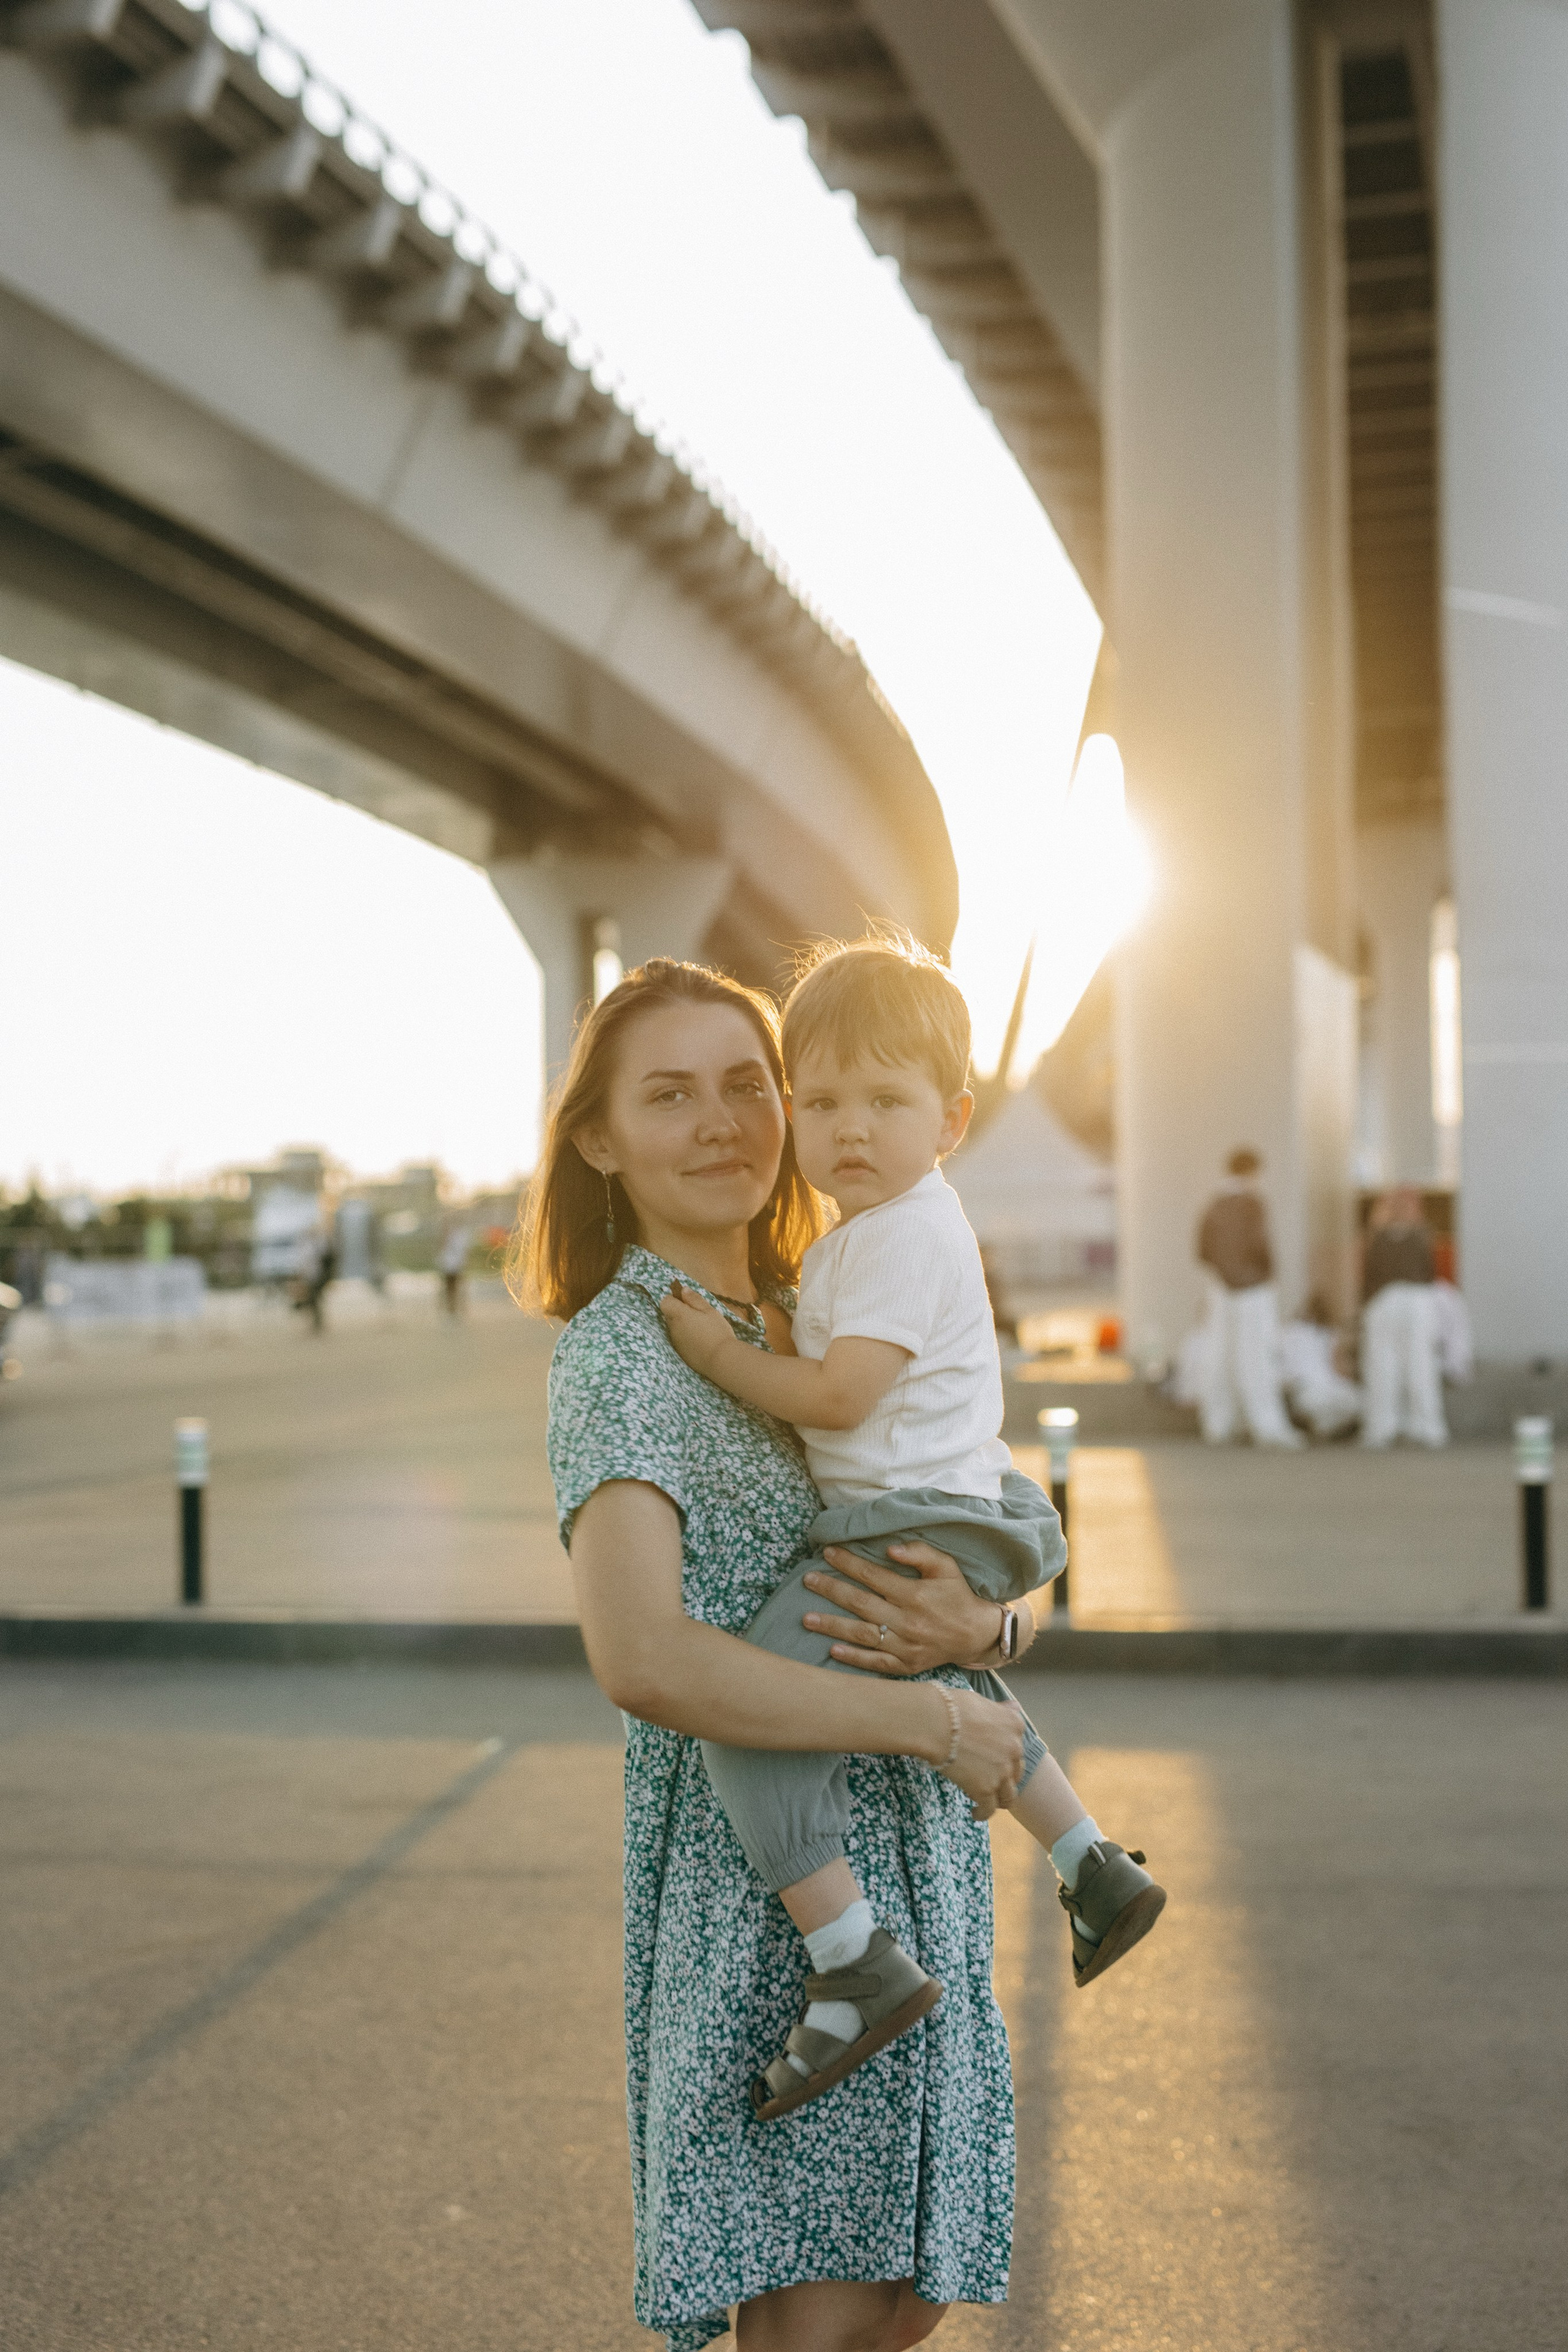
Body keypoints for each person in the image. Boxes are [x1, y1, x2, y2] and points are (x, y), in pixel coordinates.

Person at [526, 957, 1036, 2352]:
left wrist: (984, 1628)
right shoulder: (627, 1351)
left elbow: (979, 1514)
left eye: (746, 1082)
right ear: (599, 1137)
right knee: (817, 2318)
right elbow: (641, 1657)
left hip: (916, 1861)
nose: (721, 1120)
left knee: (909, 2292)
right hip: (776, 1909)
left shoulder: (818, 1303)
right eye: (668, 1093)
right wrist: (933, 1723)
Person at [660, 937, 1163, 2123]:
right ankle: (1090, 1860)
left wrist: (725, 1355)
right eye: (821, 1100)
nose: (846, 1128)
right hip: (954, 1505)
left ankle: (850, 1956)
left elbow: (837, 1400)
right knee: (935, 1659)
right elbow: (846, 1370)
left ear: (949, 1117)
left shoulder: (892, 1235)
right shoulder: (886, 1229)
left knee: (742, 1720)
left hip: (900, 1522)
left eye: (883, 1101)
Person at [1194, 1148, 1301, 1447]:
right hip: (1253, 1290)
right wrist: (1267, 1273)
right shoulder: (1253, 1203)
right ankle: (1266, 1425)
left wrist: (1223, 1271)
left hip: (1221, 1289)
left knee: (1220, 1356)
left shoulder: (1213, 1204)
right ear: (1253, 1171)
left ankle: (1219, 1423)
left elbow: (1201, 1250)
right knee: (1257, 1357)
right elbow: (1260, 1243)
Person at [1361, 1186, 1447, 1447]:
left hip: (1388, 1300)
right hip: (1414, 1299)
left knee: (1386, 1365)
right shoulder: (1421, 1234)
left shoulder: (1381, 1236)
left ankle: (1385, 1426)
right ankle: (1424, 1427)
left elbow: (1369, 1272)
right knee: (1419, 1363)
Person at [1278, 1294, 1363, 1438]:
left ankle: (1321, 1429)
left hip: (1309, 1389)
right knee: (1353, 1402)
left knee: (1332, 1403)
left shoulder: (1291, 1332)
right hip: (1312, 1389)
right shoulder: (1327, 1335)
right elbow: (1341, 1368)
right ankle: (1323, 1429)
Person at [437, 1219, 472, 1316]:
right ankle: (450, 1309)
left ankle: (458, 1309)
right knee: (449, 1289)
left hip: (457, 1265)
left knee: (458, 1288)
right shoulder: (447, 1236)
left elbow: (464, 1251)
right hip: (448, 1266)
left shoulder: (461, 1236)